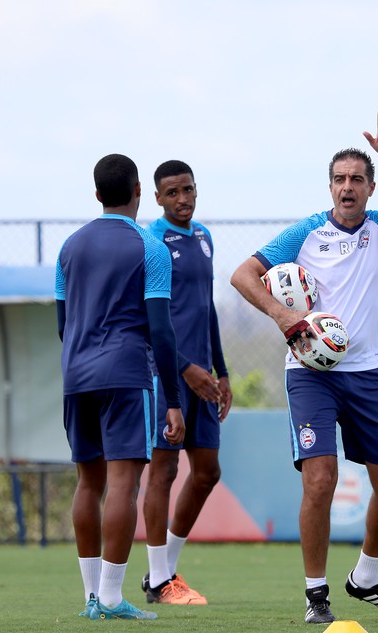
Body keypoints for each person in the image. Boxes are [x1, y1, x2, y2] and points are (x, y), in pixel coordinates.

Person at [230, 109, 378, 624]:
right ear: (330, 186)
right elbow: (242, 275)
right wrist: (286, 317)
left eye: (357, 179)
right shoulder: (305, 233)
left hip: (367, 374)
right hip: (310, 374)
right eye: (339, 179)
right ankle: (317, 595)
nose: (347, 187)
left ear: (370, 187)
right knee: (320, 480)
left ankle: (365, 576)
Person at [55, 153, 185, 621]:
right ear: (136, 193)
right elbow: (161, 330)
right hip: (126, 375)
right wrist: (173, 400)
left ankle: (91, 597)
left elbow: (62, 323)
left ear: (96, 195)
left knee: (88, 483)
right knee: (123, 484)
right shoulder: (149, 247)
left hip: (76, 375)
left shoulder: (69, 247)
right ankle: (111, 596)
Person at [141, 160, 232, 605]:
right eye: (173, 192)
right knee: (164, 470)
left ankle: (165, 571)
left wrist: (223, 369)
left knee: (208, 472)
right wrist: (183, 368)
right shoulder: (151, 242)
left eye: (188, 190)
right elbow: (147, 318)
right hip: (166, 375)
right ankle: (160, 580)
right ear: (157, 197)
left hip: (203, 375)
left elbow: (205, 307)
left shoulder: (204, 237)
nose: (183, 199)